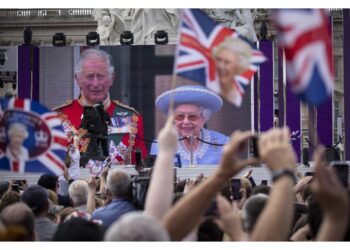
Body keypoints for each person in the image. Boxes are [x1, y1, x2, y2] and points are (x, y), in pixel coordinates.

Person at [54, 48, 147, 164]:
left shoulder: (132, 117)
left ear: (111, 78)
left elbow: (139, 166)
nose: (95, 83)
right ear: (78, 79)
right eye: (89, 76)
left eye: (101, 76)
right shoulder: (57, 118)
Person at [150, 85, 229, 166]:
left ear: (204, 118)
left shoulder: (222, 143)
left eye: (192, 116)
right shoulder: (161, 145)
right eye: (180, 116)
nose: (186, 122)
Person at [212, 37, 253, 106]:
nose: (221, 66)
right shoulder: (207, 87)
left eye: (227, 62)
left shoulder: (243, 94)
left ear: (239, 66)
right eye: (219, 60)